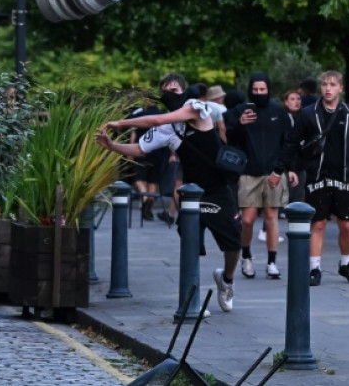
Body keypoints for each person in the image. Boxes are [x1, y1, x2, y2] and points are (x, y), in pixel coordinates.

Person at [96, 73, 242, 312]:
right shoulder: (166, 129)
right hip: (191, 193)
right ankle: (192, 299)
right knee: (190, 245)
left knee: (234, 244)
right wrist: (112, 146)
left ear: (184, 93)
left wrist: (121, 123)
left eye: (175, 90)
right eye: (166, 91)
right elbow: (140, 148)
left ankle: (226, 280)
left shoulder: (194, 107)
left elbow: (157, 120)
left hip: (217, 189)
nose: (171, 95)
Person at [281, 70, 349, 286]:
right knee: (318, 224)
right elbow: (292, 142)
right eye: (324, 84)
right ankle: (314, 268)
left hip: (345, 177)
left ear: (341, 88)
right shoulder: (308, 113)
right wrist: (290, 168)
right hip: (318, 175)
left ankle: (345, 264)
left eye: (332, 84)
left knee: (347, 225)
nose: (328, 88)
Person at [225, 73, 290, 280]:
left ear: (268, 89)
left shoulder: (279, 111)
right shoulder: (241, 111)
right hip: (248, 172)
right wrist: (240, 124)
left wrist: (280, 170)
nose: (259, 93)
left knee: (272, 217)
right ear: (250, 90)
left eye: (263, 89)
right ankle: (246, 256)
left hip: (273, 173)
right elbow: (229, 139)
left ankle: (272, 262)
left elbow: (287, 143)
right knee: (247, 220)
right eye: (256, 89)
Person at [125, 98, 169, 221]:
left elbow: (133, 134)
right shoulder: (164, 116)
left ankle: (145, 197)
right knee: (153, 181)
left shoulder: (140, 115)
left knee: (139, 179)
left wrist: (129, 151)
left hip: (142, 150)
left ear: (146, 102)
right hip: (158, 153)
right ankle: (149, 207)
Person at [282, 89, 306, 204]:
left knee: (298, 198)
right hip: (286, 164)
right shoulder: (283, 119)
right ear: (286, 102)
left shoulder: (303, 117)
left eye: (298, 99)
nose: (296, 102)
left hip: (301, 163)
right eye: (292, 99)